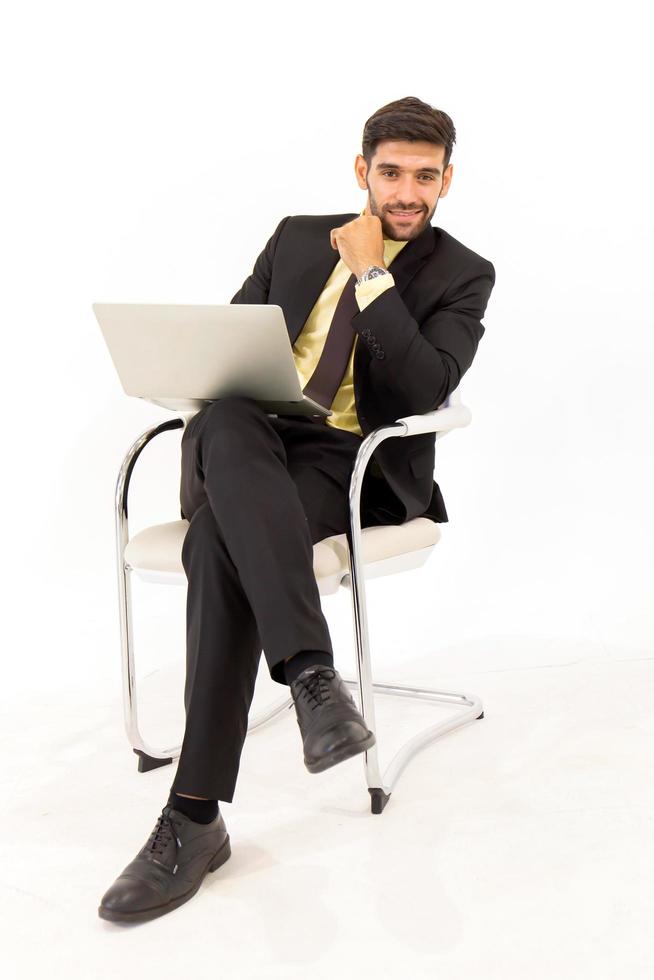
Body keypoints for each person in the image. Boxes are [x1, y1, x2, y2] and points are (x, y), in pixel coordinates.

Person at [98, 95, 496, 924]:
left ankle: (194, 816)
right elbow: (224, 348)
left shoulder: (462, 273)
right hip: (245, 441)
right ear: (362, 171)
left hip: (343, 464)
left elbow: (425, 387)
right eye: (391, 172)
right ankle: (314, 677)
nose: (407, 192)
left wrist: (372, 274)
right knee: (235, 416)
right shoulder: (291, 237)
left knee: (219, 543)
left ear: (448, 180)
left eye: (426, 177)